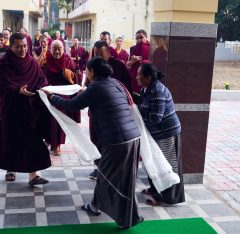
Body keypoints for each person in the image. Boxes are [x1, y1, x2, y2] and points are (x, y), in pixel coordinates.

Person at [44, 57, 143, 229]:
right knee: (123, 178)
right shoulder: (114, 83)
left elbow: (71, 106)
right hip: (133, 137)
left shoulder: (96, 87)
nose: (86, 73)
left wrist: (51, 97)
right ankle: (96, 206)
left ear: (92, 72)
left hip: (117, 140)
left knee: (106, 177)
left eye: (87, 71)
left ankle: (128, 218)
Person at [0, 33, 51, 185]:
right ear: (11, 46)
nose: (22, 49)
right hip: (11, 106)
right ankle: (10, 169)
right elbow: (1, 85)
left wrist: (46, 88)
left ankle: (33, 175)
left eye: (25, 46)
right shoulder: (4, 62)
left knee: (32, 139)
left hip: (30, 106)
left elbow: (40, 78)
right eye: (18, 47)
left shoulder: (30, 61)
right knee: (11, 139)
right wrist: (18, 89)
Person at [137, 63, 185, 206]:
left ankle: (167, 197)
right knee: (154, 162)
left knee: (167, 165)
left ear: (148, 77)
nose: (137, 77)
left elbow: (155, 117)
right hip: (155, 133)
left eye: (139, 75)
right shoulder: (146, 88)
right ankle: (154, 189)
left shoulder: (158, 91)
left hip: (166, 133)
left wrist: (137, 116)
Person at [88, 40, 133, 179]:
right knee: (96, 139)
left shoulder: (118, 65)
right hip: (96, 110)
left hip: (113, 114)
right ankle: (99, 166)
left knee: (110, 141)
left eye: (101, 54)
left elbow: (127, 88)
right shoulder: (92, 66)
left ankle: (111, 169)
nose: (98, 58)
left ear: (108, 52)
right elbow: (88, 85)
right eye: (96, 54)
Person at [43, 40, 80, 156]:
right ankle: (49, 140)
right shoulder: (46, 60)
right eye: (55, 49)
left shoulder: (67, 59)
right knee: (48, 120)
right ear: (50, 49)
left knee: (59, 120)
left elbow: (76, 75)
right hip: (49, 93)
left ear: (63, 49)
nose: (57, 51)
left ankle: (57, 145)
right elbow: (41, 75)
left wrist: (71, 74)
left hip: (63, 95)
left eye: (59, 49)